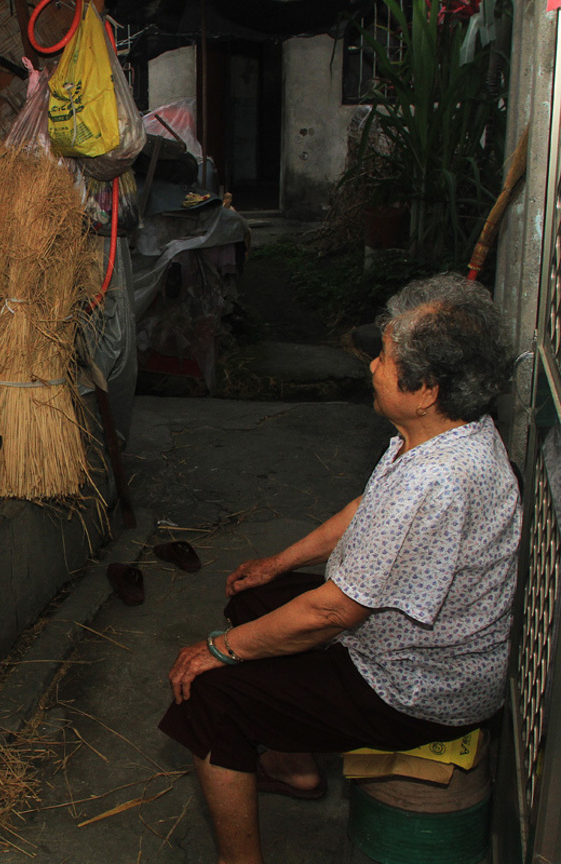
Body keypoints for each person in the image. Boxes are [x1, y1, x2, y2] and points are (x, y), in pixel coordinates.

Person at [159, 273, 521, 864]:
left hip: (419, 687)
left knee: (206, 693)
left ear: (426, 388)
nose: (374, 367)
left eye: (385, 356)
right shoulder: (441, 432)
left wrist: (218, 650)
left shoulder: (438, 479)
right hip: (412, 650)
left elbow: (336, 611)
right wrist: (279, 564)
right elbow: (366, 506)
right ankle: (295, 765)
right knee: (253, 601)